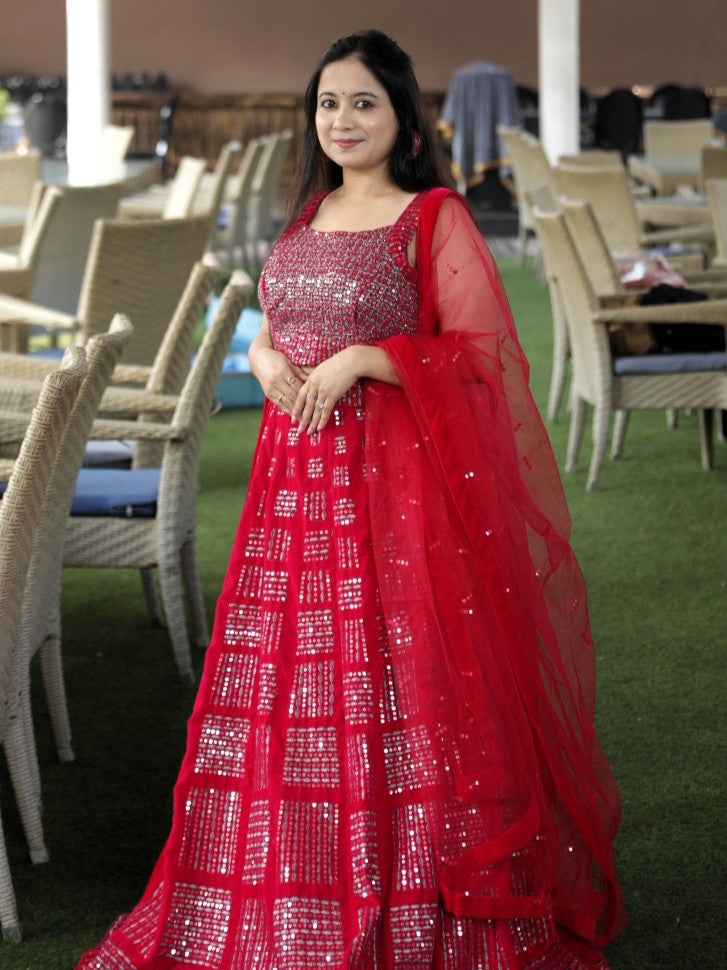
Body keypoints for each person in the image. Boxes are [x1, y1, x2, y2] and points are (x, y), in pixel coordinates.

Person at [77, 29, 625, 970]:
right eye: (329, 103)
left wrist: (373, 357)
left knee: (397, 679)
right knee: (292, 684)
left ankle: (411, 896)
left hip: (398, 496)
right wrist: (258, 353)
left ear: (403, 117)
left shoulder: (431, 216)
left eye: (363, 102)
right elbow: (276, 321)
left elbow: (486, 358)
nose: (343, 119)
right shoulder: (308, 214)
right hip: (292, 494)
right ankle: (283, 888)